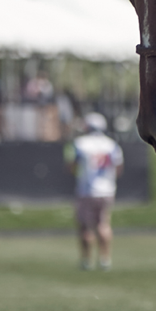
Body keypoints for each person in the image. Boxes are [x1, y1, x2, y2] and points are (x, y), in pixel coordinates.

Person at [66, 112, 123, 270]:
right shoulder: (112, 145)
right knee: (104, 224)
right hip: (107, 190)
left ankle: (86, 260)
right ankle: (105, 259)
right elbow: (118, 168)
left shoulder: (80, 144)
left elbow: (72, 166)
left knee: (85, 226)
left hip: (87, 190)